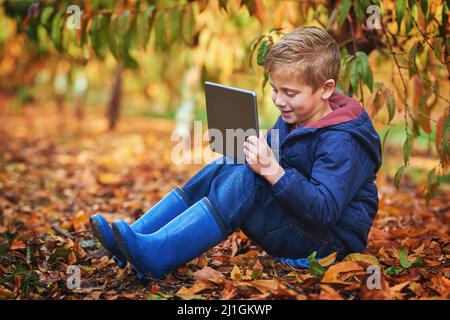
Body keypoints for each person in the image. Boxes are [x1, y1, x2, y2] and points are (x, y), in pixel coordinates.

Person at [90, 26, 382, 283]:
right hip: (299, 224)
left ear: (325, 89)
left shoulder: (343, 141)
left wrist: (272, 170)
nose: (279, 101)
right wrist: (258, 147)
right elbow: (285, 154)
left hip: (327, 245)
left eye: (290, 93)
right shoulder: (298, 116)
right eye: (275, 90)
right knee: (230, 162)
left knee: (249, 177)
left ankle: (157, 255)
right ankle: (137, 237)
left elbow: (324, 209)